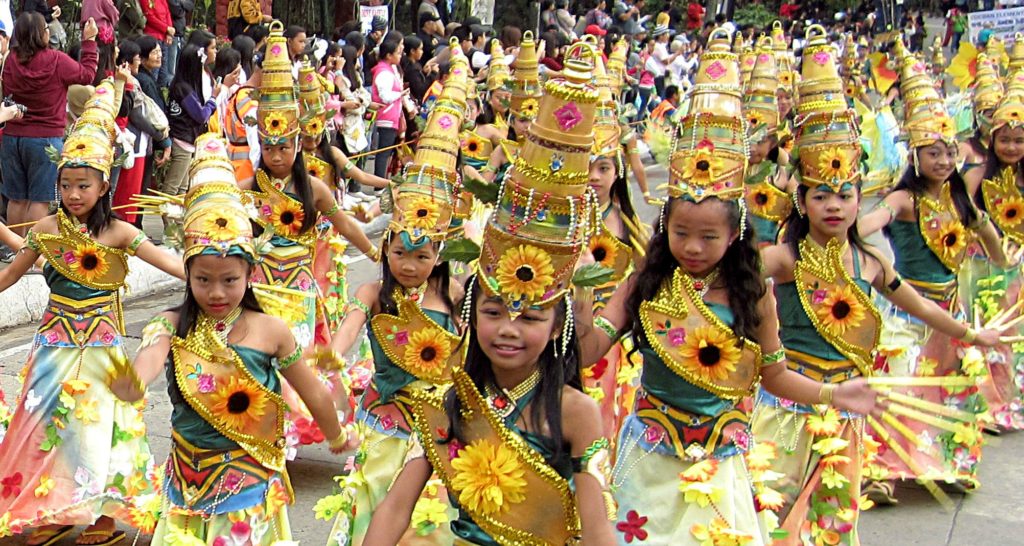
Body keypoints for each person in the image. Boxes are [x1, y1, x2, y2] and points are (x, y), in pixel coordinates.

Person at [576, 32, 879, 544]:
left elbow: (776, 377)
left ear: (735, 233)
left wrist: (834, 392)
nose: (692, 248)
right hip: (649, 457)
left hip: (723, 460)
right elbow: (586, 354)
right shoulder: (642, 285)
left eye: (708, 237)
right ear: (662, 228)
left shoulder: (751, 291)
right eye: (680, 234)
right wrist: (580, 289)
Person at [360, 41, 616, 546]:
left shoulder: (576, 413)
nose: (508, 330)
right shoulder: (452, 400)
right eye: (495, 311)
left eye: (530, 317)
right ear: (471, 311)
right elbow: (394, 509)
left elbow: (598, 529)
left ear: (559, 323)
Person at [754, 30, 1002, 544]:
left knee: (833, 522)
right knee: (773, 518)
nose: (835, 206)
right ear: (802, 200)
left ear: (857, 197)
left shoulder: (868, 265)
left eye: (846, 195)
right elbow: (725, 290)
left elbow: (918, 306)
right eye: (822, 194)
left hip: (847, 411)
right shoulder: (781, 259)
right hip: (786, 410)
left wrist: (972, 336)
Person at [109, 133, 347, 544]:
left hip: (248, 478)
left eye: (229, 280)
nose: (216, 293)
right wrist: (133, 382)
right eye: (203, 280)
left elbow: (312, 392)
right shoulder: (170, 323)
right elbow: (149, 359)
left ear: (250, 274)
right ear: (187, 273)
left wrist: (337, 435)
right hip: (188, 474)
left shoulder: (270, 330)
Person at [0, 79, 184, 546]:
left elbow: (171, 263)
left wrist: (217, 270)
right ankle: (54, 508)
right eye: (65, 184)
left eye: (84, 184)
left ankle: (104, 518)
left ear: (104, 185)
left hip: (100, 348)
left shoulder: (120, 232)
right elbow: (13, 273)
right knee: (45, 423)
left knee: (101, 428)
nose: (74, 193)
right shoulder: (46, 227)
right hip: (53, 344)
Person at [857, 40, 1012, 504]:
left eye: (949, 153)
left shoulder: (959, 199)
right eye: (933, 154)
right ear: (915, 157)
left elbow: (991, 239)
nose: (944, 161)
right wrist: (850, 237)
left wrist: (1003, 266)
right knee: (899, 386)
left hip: (949, 309)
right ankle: (878, 470)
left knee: (951, 388)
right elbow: (870, 221)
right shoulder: (904, 200)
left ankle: (950, 463)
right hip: (906, 314)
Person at [1, 13, 98, 237]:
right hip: (45, 138)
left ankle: (13, 246)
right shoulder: (56, 60)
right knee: (40, 199)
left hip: (13, 136)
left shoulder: (11, 60)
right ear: (40, 34)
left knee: (16, 198)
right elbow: (87, 75)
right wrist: (89, 42)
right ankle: (32, 251)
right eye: (45, 28)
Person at [159, 40, 237, 212]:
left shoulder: (185, 86)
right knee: (173, 187)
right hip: (182, 140)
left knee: (182, 187)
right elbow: (201, 115)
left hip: (188, 141)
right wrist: (213, 98)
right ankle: (168, 224)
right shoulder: (183, 88)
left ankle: (176, 223)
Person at [370, 39, 407, 180]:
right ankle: (379, 184)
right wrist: (400, 94)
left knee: (387, 151)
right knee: (384, 152)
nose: (400, 55)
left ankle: (381, 182)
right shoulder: (384, 72)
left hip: (391, 116)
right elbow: (384, 96)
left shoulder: (389, 69)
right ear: (388, 55)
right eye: (398, 53)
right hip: (386, 116)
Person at [140, 0, 174, 86]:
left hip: (164, 37)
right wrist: (166, 28)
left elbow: (167, 13)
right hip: (152, 36)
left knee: (163, 68)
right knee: (154, 69)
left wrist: (169, 32)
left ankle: (161, 90)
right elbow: (150, 17)